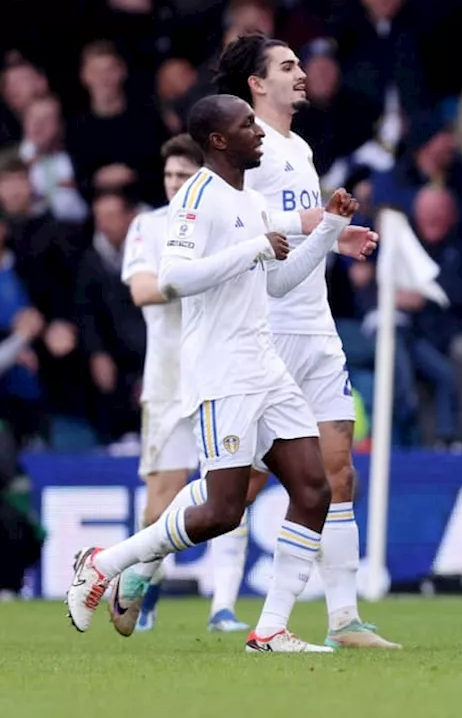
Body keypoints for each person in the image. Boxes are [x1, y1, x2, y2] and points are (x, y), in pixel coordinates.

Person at [65, 94, 357, 653]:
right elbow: (172, 279)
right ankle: (105, 561)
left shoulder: (247, 199)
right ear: (219, 140)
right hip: (221, 372)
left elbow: (273, 282)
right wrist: (251, 249)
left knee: (314, 488)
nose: (260, 133)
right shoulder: (198, 197)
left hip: (264, 366)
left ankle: (270, 630)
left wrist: (325, 233)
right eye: (248, 125)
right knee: (222, 510)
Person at [214, 33, 395, 650]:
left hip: (315, 322)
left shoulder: (301, 146)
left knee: (338, 469)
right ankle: (135, 560)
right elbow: (248, 230)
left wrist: (333, 234)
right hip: (267, 325)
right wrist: (312, 222)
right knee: (238, 489)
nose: (301, 74)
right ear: (257, 85)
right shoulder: (248, 151)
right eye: (287, 67)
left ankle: (344, 619)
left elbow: (302, 227)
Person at [112, 135, 257, 635]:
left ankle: (224, 607)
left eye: (183, 176)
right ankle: (144, 590)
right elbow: (143, 289)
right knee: (161, 502)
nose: (174, 184)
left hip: (224, 369)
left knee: (231, 491)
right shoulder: (148, 226)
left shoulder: (229, 216)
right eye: (169, 175)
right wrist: (199, 273)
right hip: (169, 379)